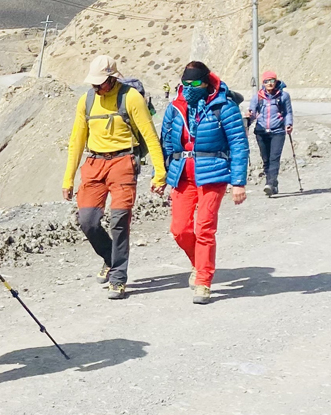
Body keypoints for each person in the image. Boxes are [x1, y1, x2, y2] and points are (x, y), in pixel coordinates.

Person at [61, 55, 167, 299]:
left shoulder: (131, 98)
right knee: (88, 221)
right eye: (93, 84)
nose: (96, 88)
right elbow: (76, 141)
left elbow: (150, 136)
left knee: (119, 221)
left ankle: (118, 277)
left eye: (100, 83)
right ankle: (110, 258)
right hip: (94, 163)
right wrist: (68, 179)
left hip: (123, 163)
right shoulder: (85, 101)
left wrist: (159, 174)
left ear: (112, 78)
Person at [160, 61, 249, 304]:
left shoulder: (225, 106)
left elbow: (239, 145)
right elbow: (166, 141)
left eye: (195, 83)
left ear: (207, 81)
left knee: (205, 228)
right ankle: (198, 263)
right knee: (179, 230)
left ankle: (204, 281)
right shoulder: (175, 107)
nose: (189, 88)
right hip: (182, 175)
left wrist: (238, 182)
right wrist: (162, 174)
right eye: (185, 83)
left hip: (213, 174)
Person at [246, 70, 293, 197]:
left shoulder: (283, 96)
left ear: (276, 81)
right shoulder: (258, 96)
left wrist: (288, 124)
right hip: (261, 132)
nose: (270, 83)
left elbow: (288, 112)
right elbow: (252, 112)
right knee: (265, 159)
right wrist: (248, 119)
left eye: (272, 81)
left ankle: (270, 183)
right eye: (267, 81)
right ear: (263, 83)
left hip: (278, 131)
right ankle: (273, 183)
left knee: (274, 158)